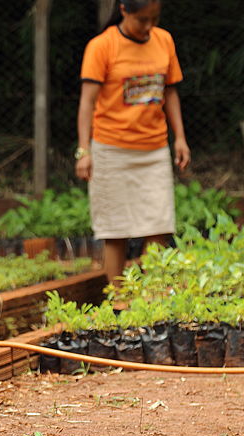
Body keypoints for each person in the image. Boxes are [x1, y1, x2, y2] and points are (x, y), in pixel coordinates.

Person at [75, 0, 189, 295]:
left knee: (158, 226)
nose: (149, 27)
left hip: (153, 150)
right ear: (124, 10)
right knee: (115, 230)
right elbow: (87, 102)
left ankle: (152, 298)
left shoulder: (164, 40)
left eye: (154, 19)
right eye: (142, 20)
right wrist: (84, 151)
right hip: (111, 150)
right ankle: (120, 300)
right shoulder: (102, 46)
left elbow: (171, 91)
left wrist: (181, 138)